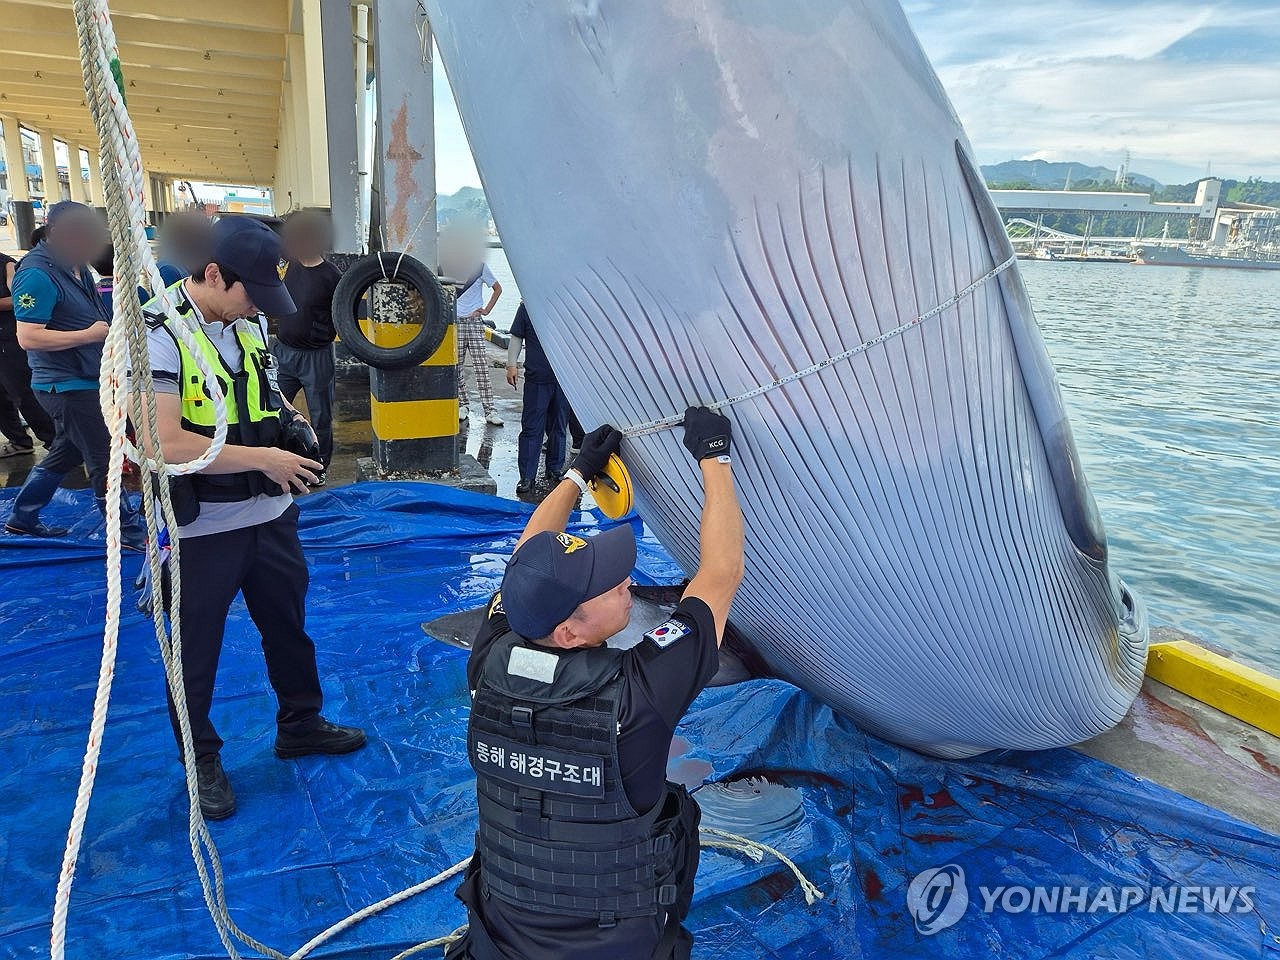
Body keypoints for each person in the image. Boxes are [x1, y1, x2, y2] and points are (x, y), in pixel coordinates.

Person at [448, 407, 745, 960]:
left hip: (500, 939)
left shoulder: (492, 656)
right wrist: (716, 459)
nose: (627, 581)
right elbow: (720, 576)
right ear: (567, 631)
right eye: (608, 586)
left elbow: (527, 564)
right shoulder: (639, 694)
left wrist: (575, 476)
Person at [135, 216, 365, 820]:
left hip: (271, 515)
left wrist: (295, 423)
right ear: (213, 274)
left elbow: (265, 388)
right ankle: (202, 760)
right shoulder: (157, 334)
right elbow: (162, 441)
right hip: (199, 529)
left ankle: (302, 722)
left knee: (289, 628)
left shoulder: (251, 321)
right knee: (193, 650)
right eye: (250, 294)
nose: (258, 309)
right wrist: (262, 455)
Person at [4, 201, 145, 549]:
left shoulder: (74, 266)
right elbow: (29, 336)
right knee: (103, 456)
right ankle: (126, 531)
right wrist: (90, 335)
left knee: (66, 451)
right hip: (67, 384)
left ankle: (23, 516)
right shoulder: (37, 274)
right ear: (55, 232)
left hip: (89, 377)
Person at [271, 209, 343, 485]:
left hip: (316, 358)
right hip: (284, 353)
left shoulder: (332, 276)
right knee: (275, 408)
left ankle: (319, 467)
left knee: (320, 417)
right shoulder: (288, 266)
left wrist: (323, 334)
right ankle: (279, 461)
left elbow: (344, 315)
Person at [506, 301, 568, 499]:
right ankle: (527, 476)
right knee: (532, 428)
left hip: (564, 379)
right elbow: (517, 336)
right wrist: (511, 365)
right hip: (537, 378)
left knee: (559, 427)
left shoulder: (568, 305)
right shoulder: (528, 305)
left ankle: (555, 470)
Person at [0, 249, 56, 457]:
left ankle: (54, 440)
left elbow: (19, 299)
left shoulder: (6, 265)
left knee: (22, 392)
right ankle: (18, 440)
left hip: (9, 341)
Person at [454, 259, 503, 426]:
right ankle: (463, 404)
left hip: (475, 322)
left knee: (481, 367)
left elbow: (497, 288)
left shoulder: (480, 267)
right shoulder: (447, 267)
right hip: (456, 322)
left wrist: (487, 310)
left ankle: (490, 410)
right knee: (456, 367)